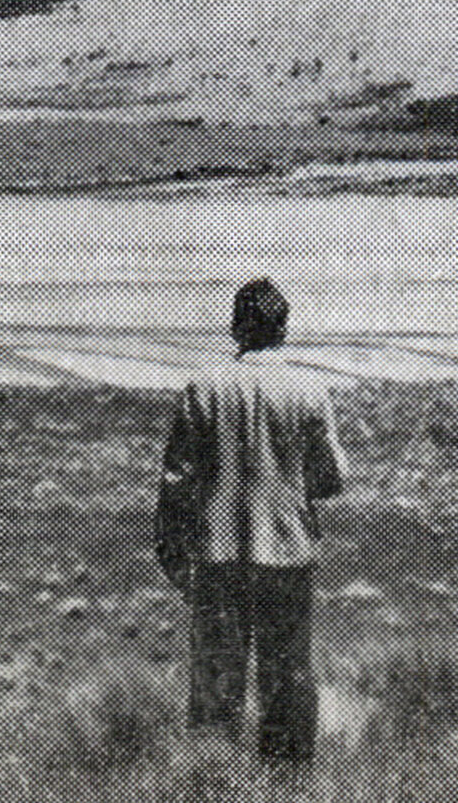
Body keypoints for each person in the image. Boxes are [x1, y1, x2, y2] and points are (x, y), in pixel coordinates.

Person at [155, 276, 348, 764]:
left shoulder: (203, 388)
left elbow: (178, 480)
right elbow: (330, 479)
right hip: (285, 555)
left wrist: (171, 548)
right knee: (287, 679)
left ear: (236, 327)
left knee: (217, 682)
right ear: (284, 327)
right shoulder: (309, 390)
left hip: (218, 558)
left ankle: (212, 782)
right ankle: (288, 787)